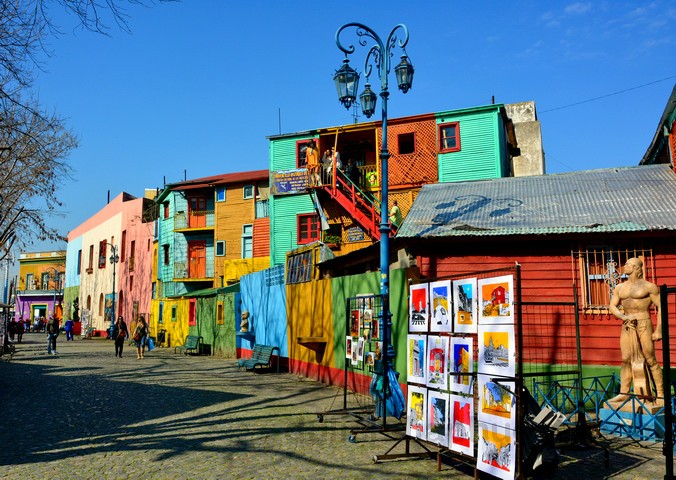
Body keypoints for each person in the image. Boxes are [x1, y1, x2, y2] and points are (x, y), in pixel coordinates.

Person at [608, 257, 664, 403]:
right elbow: (612, 306)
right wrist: (622, 316)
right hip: (627, 324)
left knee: (650, 358)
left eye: (628, 264)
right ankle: (624, 392)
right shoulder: (620, 287)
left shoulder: (649, 286)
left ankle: (660, 393)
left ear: (637, 268)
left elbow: (661, 307)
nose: (624, 266)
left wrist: (659, 330)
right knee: (626, 359)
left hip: (644, 323)